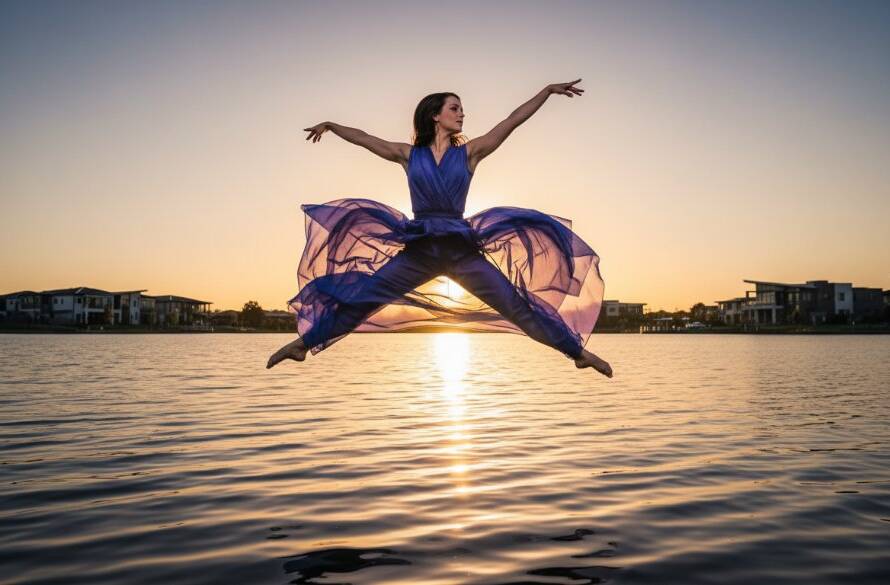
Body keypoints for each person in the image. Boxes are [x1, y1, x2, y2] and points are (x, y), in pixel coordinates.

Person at [267, 79, 612, 378]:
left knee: (516, 306)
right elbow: (364, 137)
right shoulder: (407, 155)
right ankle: (303, 344)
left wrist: (546, 92)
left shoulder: (471, 153)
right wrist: (330, 124)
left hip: (462, 251)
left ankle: (577, 354)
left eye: (462, 109)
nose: (462, 114)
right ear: (435, 115)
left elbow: (512, 121)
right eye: (455, 108)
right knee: (362, 300)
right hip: (419, 250)